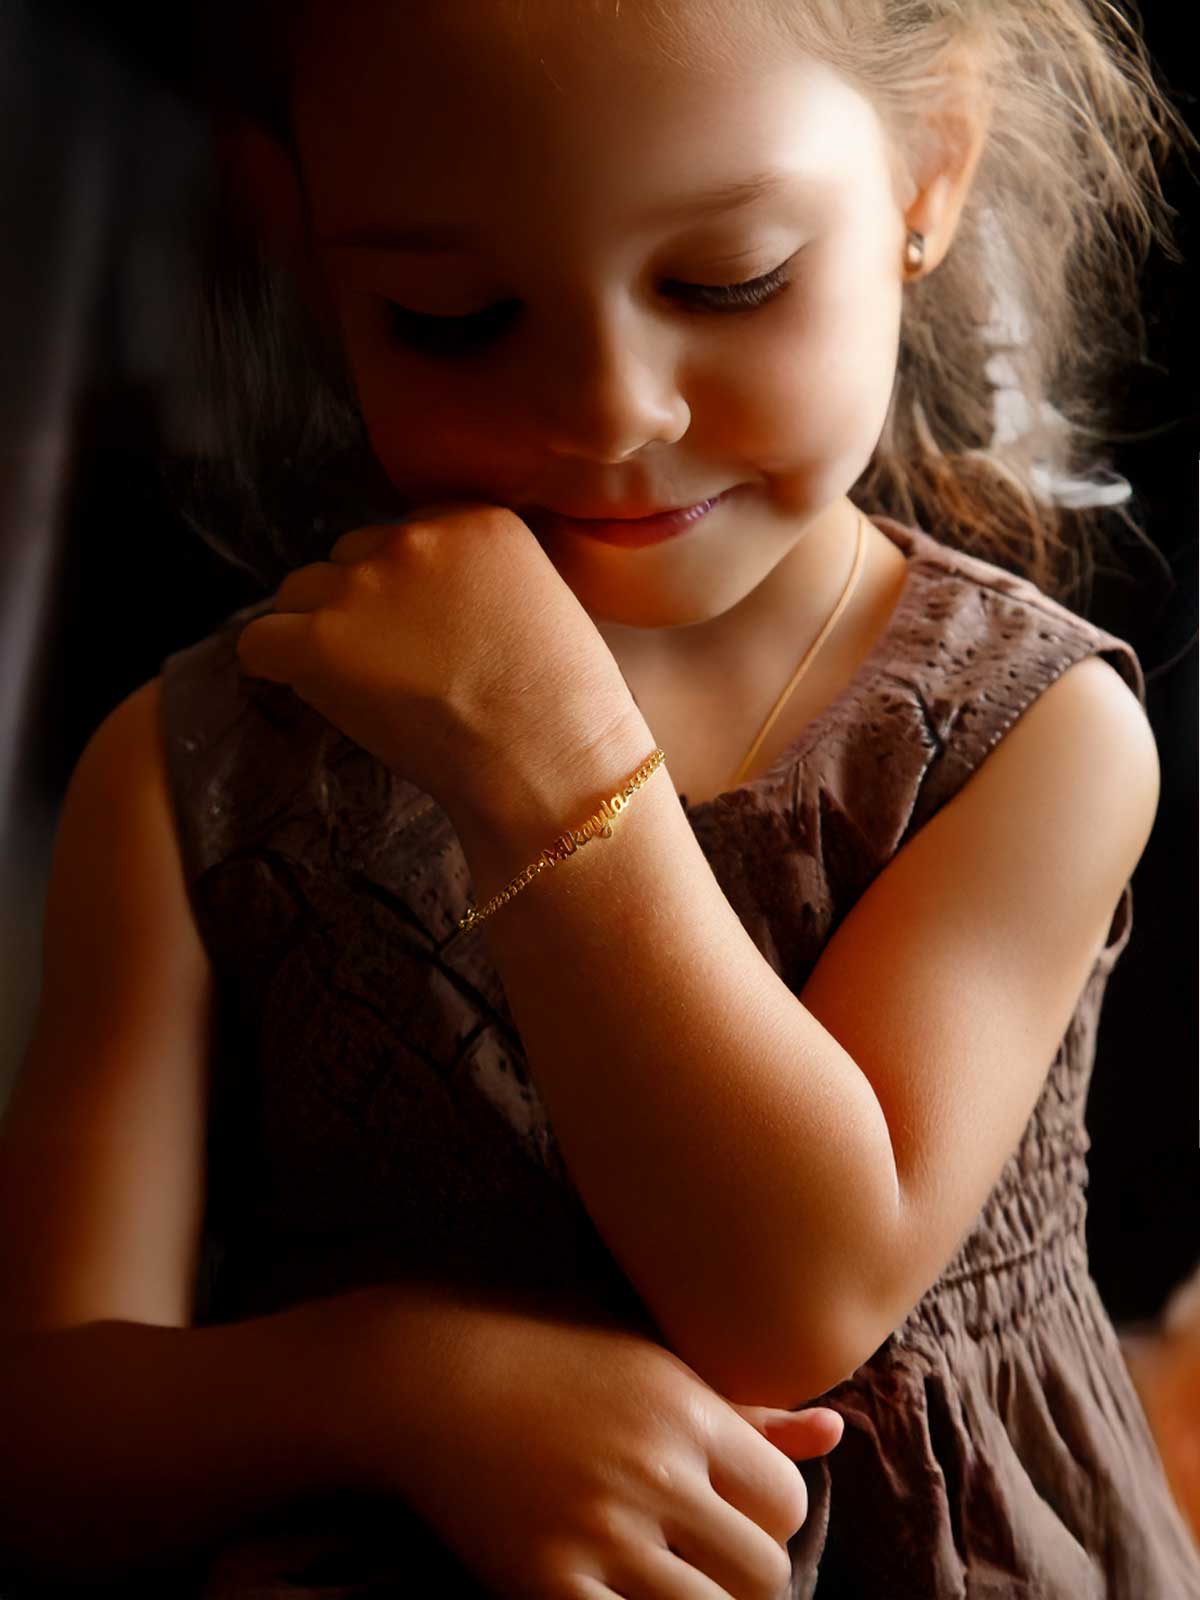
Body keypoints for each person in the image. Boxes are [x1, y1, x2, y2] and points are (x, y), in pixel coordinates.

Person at [0, 1, 1197, 1597]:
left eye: (726, 283)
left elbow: (790, 1297)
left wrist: (551, 762)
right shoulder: (189, 776)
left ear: (930, 170)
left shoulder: (1034, 736)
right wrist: (406, 1384)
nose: (609, 407)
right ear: (298, 235)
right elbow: (40, 1450)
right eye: (454, 313)